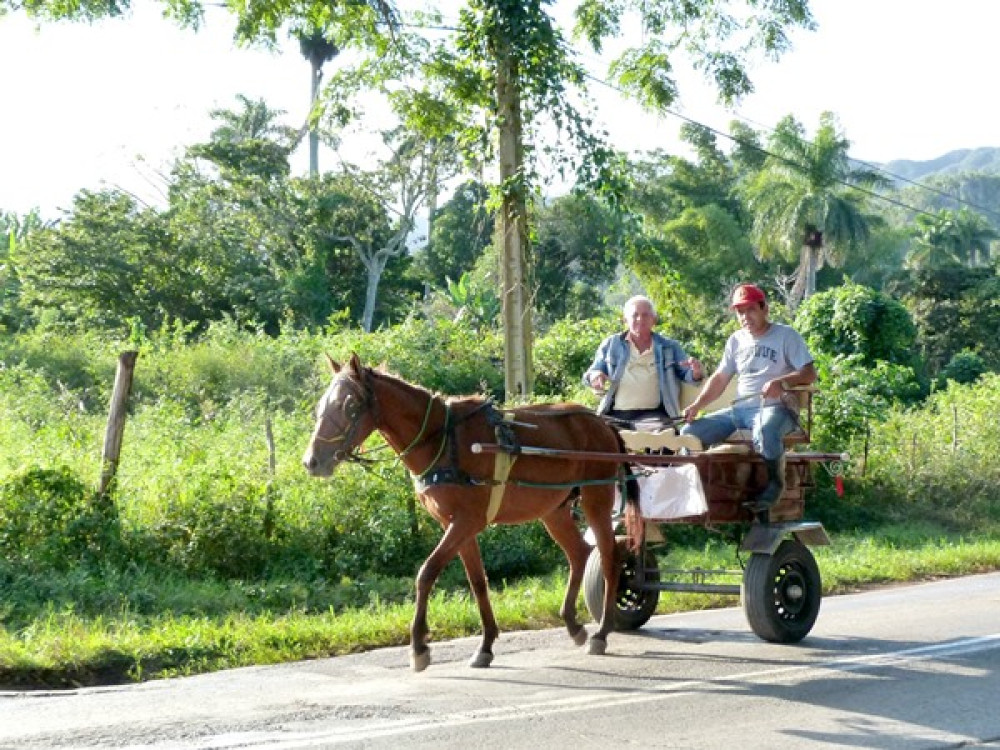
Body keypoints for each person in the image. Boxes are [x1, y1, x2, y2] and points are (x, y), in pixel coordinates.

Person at [681, 283, 817, 512]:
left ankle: (775, 484)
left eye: (751, 310)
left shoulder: (786, 336)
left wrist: (781, 383)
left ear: (765, 309)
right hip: (740, 411)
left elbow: (809, 373)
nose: (745, 317)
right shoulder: (735, 340)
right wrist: (697, 405)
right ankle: (698, 487)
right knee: (688, 433)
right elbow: (720, 378)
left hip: (777, 408)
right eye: (740, 312)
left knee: (765, 430)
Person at [584, 295, 703, 430]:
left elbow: (688, 375)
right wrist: (595, 376)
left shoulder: (669, 347)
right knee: (591, 435)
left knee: (662, 434)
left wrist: (696, 373)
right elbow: (592, 372)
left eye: (645, 315)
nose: (640, 319)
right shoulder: (611, 344)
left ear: (654, 320)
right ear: (625, 320)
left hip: (652, 414)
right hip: (615, 414)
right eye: (635, 315)